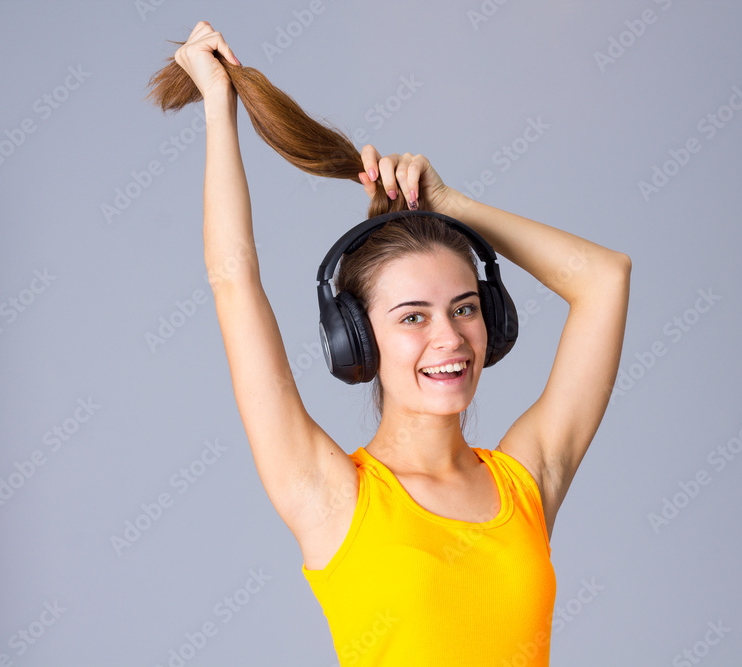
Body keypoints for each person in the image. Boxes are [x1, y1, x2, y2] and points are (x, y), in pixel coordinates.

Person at [148, 21, 631, 666]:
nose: (450, 337)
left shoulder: (526, 481)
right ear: (356, 339)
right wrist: (219, 109)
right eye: (412, 317)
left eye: (464, 308)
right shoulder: (332, 494)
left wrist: (454, 206)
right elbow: (233, 281)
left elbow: (605, 279)